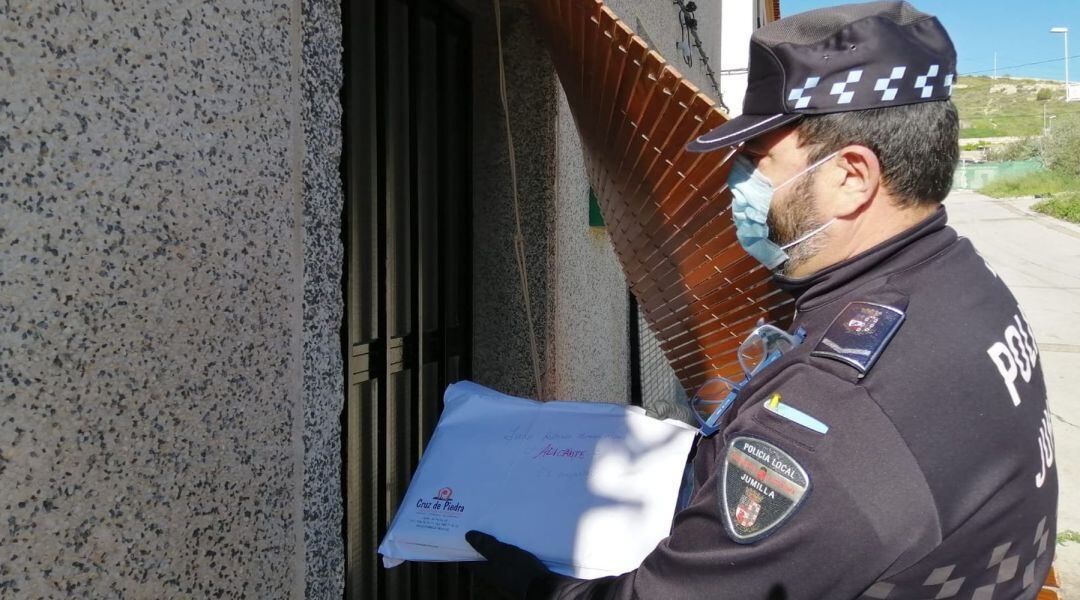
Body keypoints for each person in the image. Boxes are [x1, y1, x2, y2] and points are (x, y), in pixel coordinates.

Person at [462, 2, 1059, 598]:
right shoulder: (962, 283)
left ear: (852, 176)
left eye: (754, 162)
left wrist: (538, 588)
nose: (735, 185)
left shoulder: (831, 415)